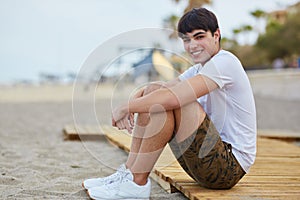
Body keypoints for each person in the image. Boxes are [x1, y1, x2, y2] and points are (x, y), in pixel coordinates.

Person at [83, 7, 257, 200]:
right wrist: (136, 98)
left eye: (199, 37)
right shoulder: (199, 68)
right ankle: (129, 175)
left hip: (228, 166)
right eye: (186, 40)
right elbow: (161, 88)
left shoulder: (226, 62)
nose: (192, 46)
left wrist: (126, 108)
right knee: (156, 92)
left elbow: (173, 97)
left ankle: (137, 183)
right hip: (204, 160)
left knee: (173, 100)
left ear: (216, 35)